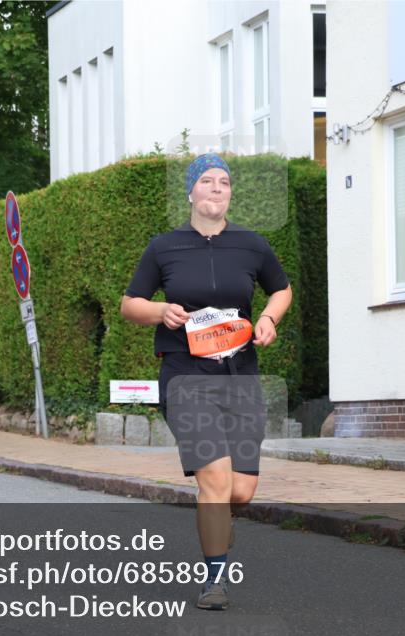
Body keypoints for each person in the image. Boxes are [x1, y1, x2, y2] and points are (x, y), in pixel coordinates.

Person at [120, 153, 293, 610]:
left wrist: (270, 318)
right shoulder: (164, 247)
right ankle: (214, 580)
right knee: (215, 479)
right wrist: (160, 310)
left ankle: (214, 519)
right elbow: (130, 303)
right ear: (191, 191)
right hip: (186, 375)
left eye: (225, 182)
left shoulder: (252, 245)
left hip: (240, 374)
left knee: (240, 490)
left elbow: (281, 287)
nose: (217, 189)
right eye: (208, 181)